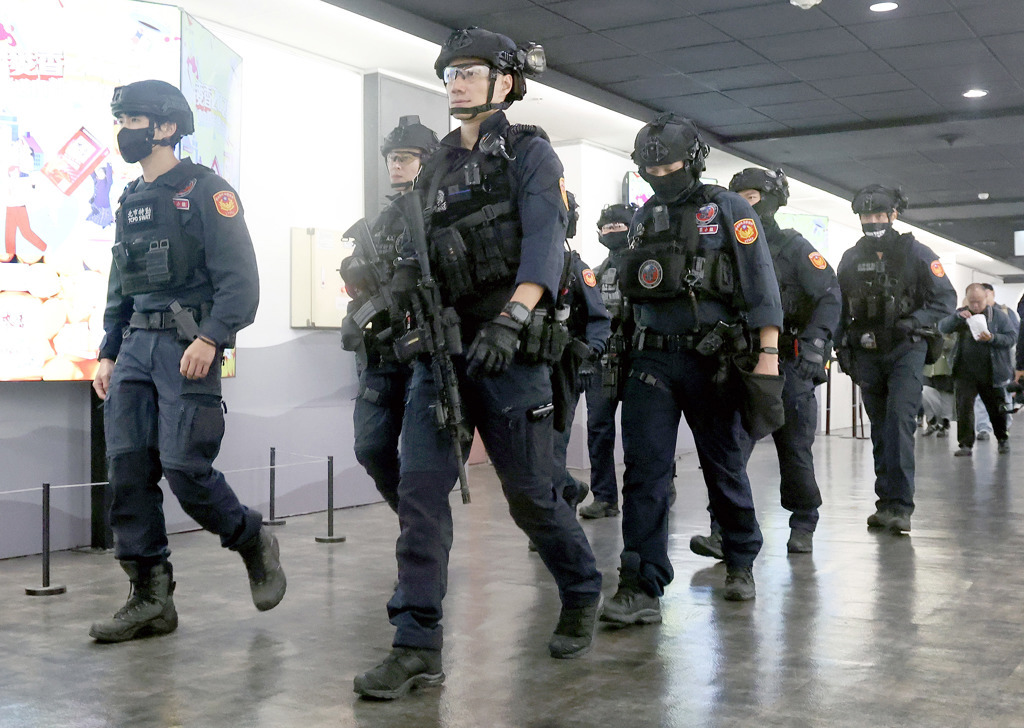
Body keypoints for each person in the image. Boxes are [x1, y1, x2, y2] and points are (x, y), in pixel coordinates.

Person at [353, 28, 603, 700]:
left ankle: (580, 588)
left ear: (505, 82)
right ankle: (415, 643)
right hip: (443, 348)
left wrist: (516, 316)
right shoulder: (433, 167)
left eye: (470, 72)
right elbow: (417, 255)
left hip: (511, 348)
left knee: (530, 496)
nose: (456, 83)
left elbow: (545, 244)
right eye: (450, 75)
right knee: (420, 495)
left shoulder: (529, 153)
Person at [90, 80, 285, 643]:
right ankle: (150, 597)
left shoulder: (207, 191)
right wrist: (108, 350)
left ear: (166, 128)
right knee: (127, 472)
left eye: (134, 121)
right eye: (121, 120)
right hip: (133, 350)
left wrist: (212, 337)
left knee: (184, 468)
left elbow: (240, 281)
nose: (124, 131)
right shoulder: (128, 200)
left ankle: (250, 538)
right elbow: (119, 283)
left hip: (186, 346)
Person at [599, 113, 784, 622]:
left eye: (671, 165)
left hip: (712, 359)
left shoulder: (728, 209)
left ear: (695, 160)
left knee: (722, 464)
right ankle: (641, 584)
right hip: (650, 359)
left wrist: (767, 355)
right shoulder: (641, 219)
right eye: (649, 170)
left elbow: (761, 284)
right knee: (644, 472)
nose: (661, 176)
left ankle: (740, 558)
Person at [690, 167, 840, 557]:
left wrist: (814, 346)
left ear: (771, 200)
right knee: (729, 452)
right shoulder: (722, 246)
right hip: (739, 362)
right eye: (738, 196)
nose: (744, 204)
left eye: (752, 196)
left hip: (789, 365)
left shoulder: (793, 247)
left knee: (793, 450)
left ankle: (803, 522)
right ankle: (724, 531)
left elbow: (829, 296)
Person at [835, 184, 956, 534]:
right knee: (880, 429)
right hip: (866, 351)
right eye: (865, 216)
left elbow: (944, 300)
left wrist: (913, 323)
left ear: (893, 216)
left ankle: (901, 506)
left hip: (906, 347)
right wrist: (842, 345)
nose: (871, 222)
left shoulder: (916, 253)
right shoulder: (850, 258)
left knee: (899, 422)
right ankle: (884, 502)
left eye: (877, 215)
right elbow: (839, 306)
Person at [339, 116, 439, 512]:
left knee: (421, 461)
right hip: (383, 353)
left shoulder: (438, 213)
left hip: (425, 353)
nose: (396, 165)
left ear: (426, 161)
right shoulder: (381, 224)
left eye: (406, 158)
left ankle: (419, 530)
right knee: (370, 448)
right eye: (392, 158)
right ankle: (409, 514)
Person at [547, 192, 610, 513]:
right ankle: (569, 489)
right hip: (522, 367)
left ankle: (557, 516)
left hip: (561, 368)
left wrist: (588, 357)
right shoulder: (516, 266)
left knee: (553, 444)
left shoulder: (573, 267)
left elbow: (599, 319)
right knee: (529, 451)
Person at [579, 203, 637, 520]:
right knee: (598, 428)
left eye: (620, 226)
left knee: (641, 431)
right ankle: (604, 497)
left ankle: (657, 488)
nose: (613, 231)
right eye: (607, 227)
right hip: (603, 361)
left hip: (639, 360)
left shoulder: (647, 268)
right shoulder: (597, 274)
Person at [937, 282, 1016, 456]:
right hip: (965, 372)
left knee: (996, 408)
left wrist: (993, 338)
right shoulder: (961, 314)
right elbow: (942, 327)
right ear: (967, 299)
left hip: (991, 372)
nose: (975, 306)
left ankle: (1002, 439)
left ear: (986, 298)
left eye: (979, 301)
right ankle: (965, 444)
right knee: (964, 408)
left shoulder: (998, 316)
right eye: (972, 301)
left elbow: (1011, 337)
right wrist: (958, 318)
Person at [972, 282, 1017, 440]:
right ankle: (983, 428)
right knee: (980, 398)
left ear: (990, 294)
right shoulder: (971, 314)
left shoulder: (1004, 313)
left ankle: (1004, 426)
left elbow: (1014, 337)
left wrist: (993, 338)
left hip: (1001, 363)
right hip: (980, 366)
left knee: (1002, 397)